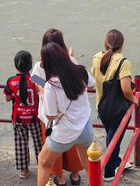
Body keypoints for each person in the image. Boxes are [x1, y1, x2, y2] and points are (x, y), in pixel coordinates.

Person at [37, 42, 95, 186]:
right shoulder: (80, 70)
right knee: (90, 164)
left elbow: (50, 116)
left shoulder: (51, 85)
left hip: (64, 133)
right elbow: (91, 85)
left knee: (43, 162)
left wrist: (43, 93)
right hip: (85, 127)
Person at [31, 29, 83, 186]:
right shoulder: (70, 61)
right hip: (69, 112)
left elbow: (35, 80)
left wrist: (43, 89)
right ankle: (75, 175)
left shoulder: (39, 66)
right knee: (72, 144)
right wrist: (72, 57)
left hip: (49, 116)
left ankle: (59, 179)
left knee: (52, 148)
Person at [91, 29, 139, 182]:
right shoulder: (123, 63)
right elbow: (126, 89)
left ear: (106, 43)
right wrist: (134, 100)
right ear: (121, 45)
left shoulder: (96, 58)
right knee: (114, 140)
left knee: (111, 136)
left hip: (102, 107)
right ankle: (109, 172)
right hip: (117, 110)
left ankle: (116, 161)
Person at [4, 50, 43, 179]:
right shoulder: (36, 79)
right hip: (34, 117)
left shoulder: (11, 80)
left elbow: (8, 98)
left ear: (16, 65)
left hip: (18, 117)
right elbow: (44, 91)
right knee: (39, 142)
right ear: (31, 65)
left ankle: (24, 170)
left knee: (21, 143)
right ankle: (42, 166)